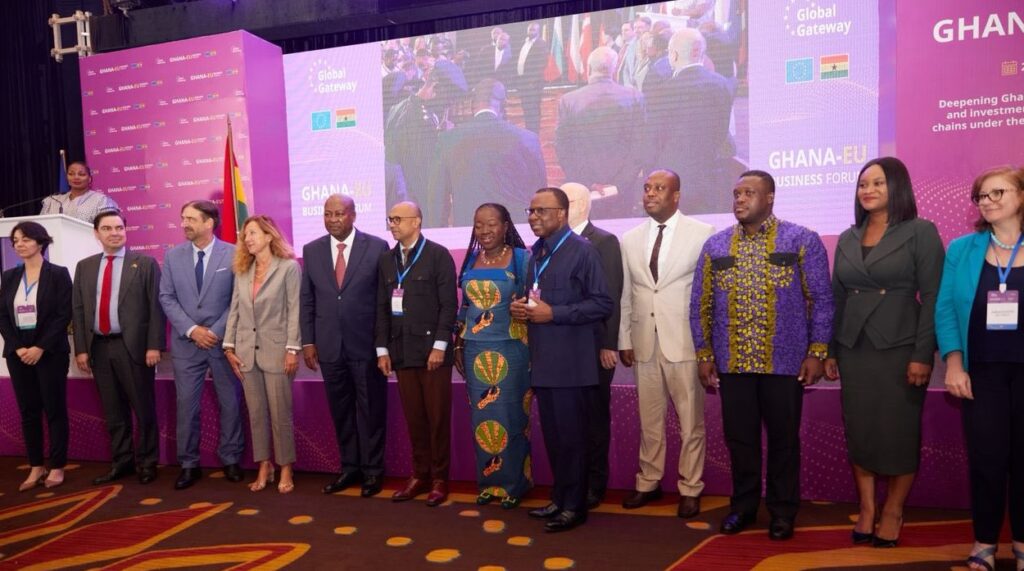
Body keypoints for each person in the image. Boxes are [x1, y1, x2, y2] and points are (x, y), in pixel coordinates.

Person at [690, 170, 833, 541]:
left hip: (784, 361)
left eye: (749, 193)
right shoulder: (716, 246)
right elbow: (701, 304)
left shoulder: (800, 239)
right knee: (740, 441)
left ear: (770, 197)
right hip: (733, 362)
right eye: (736, 193)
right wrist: (704, 353)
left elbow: (821, 299)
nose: (740, 199)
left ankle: (783, 512)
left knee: (784, 441)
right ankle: (743, 507)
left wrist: (817, 352)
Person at [823, 157, 944, 548]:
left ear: (898, 187)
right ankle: (867, 507)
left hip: (900, 348)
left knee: (898, 432)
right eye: (863, 184)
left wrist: (923, 354)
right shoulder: (847, 236)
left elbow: (933, 297)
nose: (868, 190)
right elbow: (837, 297)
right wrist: (831, 350)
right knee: (860, 430)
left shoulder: (921, 231)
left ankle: (893, 510)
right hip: (853, 348)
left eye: (877, 183)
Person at [935, 166, 1024, 571]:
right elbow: (945, 309)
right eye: (981, 196)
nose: (987, 201)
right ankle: (985, 542)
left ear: (1021, 196)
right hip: (982, 372)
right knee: (987, 460)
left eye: (997, 193)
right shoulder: (962, 249)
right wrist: (954, 363)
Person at [511, 187, 613, 533]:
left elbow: (602, 303)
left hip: (572, 364)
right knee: (555, 439)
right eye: (531, 210)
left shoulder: (583, 251)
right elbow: (535, 298)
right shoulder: (536, 253)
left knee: (573, 439)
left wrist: (554, 313)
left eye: (541, 211)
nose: (533, 217)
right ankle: (560, 497)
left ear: (562, 214)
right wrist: (522, 308)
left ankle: (575, 506)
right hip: (544, 362)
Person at [619, 169, 714, 517]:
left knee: (691, 422)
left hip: (684, 342)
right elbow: (627, 293)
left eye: (659, 188)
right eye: (647, 188)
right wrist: (624, 338)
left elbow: (707, 294)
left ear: (676, 196)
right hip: (644, 340)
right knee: (650, 420)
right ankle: (648, 481)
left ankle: (690, 486)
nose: (650, 193)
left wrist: (707, 346)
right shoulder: (629, 238)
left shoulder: (702, 233)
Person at [301, 194, 390, 497]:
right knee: (341, 412)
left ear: (353, 215)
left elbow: (383, 301)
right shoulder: (312, 250)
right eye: (328, 214)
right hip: (329, 347)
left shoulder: (376, 247)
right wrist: (308, 341)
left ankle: (373, 471)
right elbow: (307, 299)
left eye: (339, 214)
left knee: (371, 410)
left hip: (365, 346)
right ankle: (350, 467)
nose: (333, 219)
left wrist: (382, 345)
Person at [72, 210, 165, 486]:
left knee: (143, 409)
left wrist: (154, 345)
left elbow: (156, 307)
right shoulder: (85, 266)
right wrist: (81, 349)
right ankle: (122, 462)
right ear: (96, 233)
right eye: (107, 228)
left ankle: (147, 462)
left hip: (133, 348)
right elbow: (79, 310)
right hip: (99, 348)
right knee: (113, 412)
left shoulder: (145, 264)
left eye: (119, 228)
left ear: (126, 231)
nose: (114, 233)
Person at [376, 201, 458, 506]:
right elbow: (382, 308)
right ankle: (419, 474)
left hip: (432, 353)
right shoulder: (386, 260)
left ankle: (439, 479)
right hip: (402, 351)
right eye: (390, 219)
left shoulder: (438, 255)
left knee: (437, 419)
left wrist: (440, 346)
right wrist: (382, 349)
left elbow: (449, 305)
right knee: (415, 419)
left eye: (398, 219)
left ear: (417, 221)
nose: (393, 224)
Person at [158, 200, 246, 489]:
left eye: (191, 219)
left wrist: (215, 331)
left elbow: (238, 298)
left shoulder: (233, 253)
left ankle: (231, 459)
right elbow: (166, 297)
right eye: (183, 218)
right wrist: (192, 329)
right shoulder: (173, 256)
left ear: (209, 223)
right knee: (186, 406)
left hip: (223, 344)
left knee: (230, 404)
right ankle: (188, 464)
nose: (184, 224)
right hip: (186, 344)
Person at [453, 203, 532, 509]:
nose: (484, 231)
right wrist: (458, 342)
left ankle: (515, 485)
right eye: (478, 225)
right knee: (482, 420)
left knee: (511, 418)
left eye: (491, 224)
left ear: (505, 226)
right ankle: (489, 483)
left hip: (511, 348)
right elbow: (465, 306)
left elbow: (534, 299)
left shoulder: (523, 258)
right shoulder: (472, 258)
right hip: (475, 350)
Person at [223, 215, 302, 494]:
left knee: (280, 414)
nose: (247, 239)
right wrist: (229, 347)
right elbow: (234, 309)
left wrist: (292, 349)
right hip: (246, 353)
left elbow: (294, 310)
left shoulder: (288, 268)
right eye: (245, 235)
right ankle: (264, 465)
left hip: (278, 352)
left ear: (269, 236)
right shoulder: (243, 270)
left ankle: (286, 466)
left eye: (253, 233)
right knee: (256, 414)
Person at [560, 182, 623, 509]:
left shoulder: (604, 241)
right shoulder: (552, 244)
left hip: (595, 346)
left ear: (584, 205)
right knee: (568, 421)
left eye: (567, 201)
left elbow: (611, 295)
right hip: (563, 347)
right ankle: (572, 483)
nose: (560, 207)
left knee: (594, 419)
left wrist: (609, 344)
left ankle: (595, 485)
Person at [0, 222, 71, 491]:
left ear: (40, 242)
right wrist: (17, 346)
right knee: (28, 412)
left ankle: (57, 465)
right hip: (18, 353)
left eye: (26, 239)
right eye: (15, 240)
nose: (19, 244)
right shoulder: (9, 276)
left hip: (50, 352)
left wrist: (40, 347)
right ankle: (36, 466)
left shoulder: (58, 274)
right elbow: (2, 315)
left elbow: (63, 314)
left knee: (54, 409)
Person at [429, 78, 546, 227]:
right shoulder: (528, 139)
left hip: (470, 231)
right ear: (503, 105)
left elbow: (437, 199)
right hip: (515, 232)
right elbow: (541, 194)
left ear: (473, 104)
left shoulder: (448, 140)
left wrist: (440, 235)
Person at [647, 29, 733, 214]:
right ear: (702, 53)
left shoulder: (663, 91)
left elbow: (654, 139)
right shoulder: (723, 85)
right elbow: (721, 132)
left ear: (674, 55)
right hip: (709, 176)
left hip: (672, 182)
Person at [555, 48, 646, 219]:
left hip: (584, 190)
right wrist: (620, 184)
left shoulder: (569, 101)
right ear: (614, 68)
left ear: (588, 68)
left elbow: (563, 149)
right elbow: (640, 147)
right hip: (623, 190)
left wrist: (587, 182)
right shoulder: (635, 97)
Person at [384, 60, 468, 226]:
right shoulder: (421, 121)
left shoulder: (400, 107)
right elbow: (425, 176)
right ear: (436, 87)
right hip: (420, 213)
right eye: (449, 99)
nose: (448, 105)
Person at [40, 161, 119, 223]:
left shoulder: (101, 201)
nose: (76, 177)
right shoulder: (53, 201)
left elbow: (109, 226)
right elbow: (41, 227)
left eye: (81, 174)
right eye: (71, 174)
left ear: (89, 179)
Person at [514, 22, 548, 134]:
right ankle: (529, 130)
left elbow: (541, 63)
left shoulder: (541, 44)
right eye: (530, 29)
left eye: (533, 29)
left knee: (533, 108)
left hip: (533, 83)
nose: (531, 31)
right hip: (522, 82)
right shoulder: (523, 43)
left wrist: (532, 81)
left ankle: (534, 132)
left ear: (538, 31)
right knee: (526, 107)